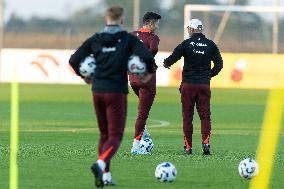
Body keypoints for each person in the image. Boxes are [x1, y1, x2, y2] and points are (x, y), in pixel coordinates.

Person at [69, 6, 155, 187]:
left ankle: (105, 176)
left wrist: (84, 76)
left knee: (104, 135)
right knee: (115, 135)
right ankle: (100, 164)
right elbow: (147, 57)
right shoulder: (127, 39)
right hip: (116, 91)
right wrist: (146, 74)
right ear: (122, 20)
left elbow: (74, 60)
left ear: (106, 19)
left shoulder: (96, 39)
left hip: (98, 90)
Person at [163, 19, 223, 155]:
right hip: (203, 85)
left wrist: (166, 63)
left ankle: (188, 147)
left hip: (188, 86)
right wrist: (208, 76)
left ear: (191, 29)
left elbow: (172, 58)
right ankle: (206, 143)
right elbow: (219, 65)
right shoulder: (211, 44)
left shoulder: (186, 44)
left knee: (187, 116)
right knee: (205, 116)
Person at [129, 12, 161, 154]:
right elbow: (153, 49)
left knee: (142, 109)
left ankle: (144, 132)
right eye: (157, 23)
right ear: (150, 23)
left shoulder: (130, 35)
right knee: (142, 114)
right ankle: (136, 145)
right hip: (147, 80)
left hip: (133, 79)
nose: (158, 26)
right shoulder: (153, 38)